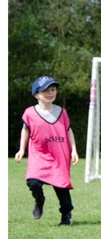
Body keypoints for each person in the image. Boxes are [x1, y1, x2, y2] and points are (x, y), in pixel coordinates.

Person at [14, 76, 79, 226]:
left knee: (62, 188)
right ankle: (39, 200)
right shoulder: (29, 113)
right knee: (33, 182)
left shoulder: (62, 112)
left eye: (53, 89)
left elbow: (69, 131)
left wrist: (74, 150)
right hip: (39, 155)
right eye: (45, 90)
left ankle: (66, 214)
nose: (50, 93)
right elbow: (25, 130)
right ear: (36, 94)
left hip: (59, 156)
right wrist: (21, 149)